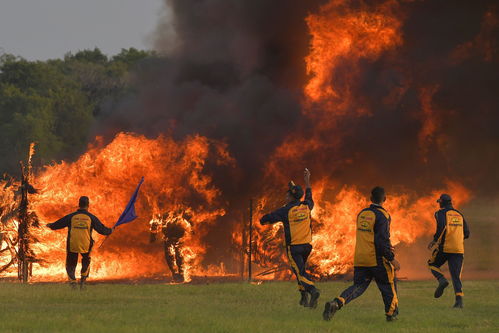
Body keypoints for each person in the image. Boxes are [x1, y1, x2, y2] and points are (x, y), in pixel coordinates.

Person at [323, 186, 400, 322]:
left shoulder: (362, 214)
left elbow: (369, 235)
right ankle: (391, 315)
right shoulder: (383, 215)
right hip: (376, 259)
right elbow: (381, 240)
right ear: (385, 199)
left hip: (360, 258)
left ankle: (337, 303)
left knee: (358, 286)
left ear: (371, 198)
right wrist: (391, 258)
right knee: (388, 285)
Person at [260, 168, 320, 308]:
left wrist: (261, 219)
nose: (285, 197)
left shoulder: (285, 210)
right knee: (300, 271)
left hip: (294, 248)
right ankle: (303, 297)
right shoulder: (307, 206)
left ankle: (312, 290)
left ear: (291, 197)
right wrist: (307, 181)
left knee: (300, 272)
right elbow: (309, 194)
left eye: (287, 195)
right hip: (306, 246)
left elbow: (267, 219)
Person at [47, 196, 112, 289]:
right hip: (86, 244)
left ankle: (73, 283)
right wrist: (110, 230)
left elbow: (59, 224)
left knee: (70, 263)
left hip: (73, 244)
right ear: (88, 205)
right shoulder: (91, 217)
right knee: (86, 261)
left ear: (79, 204)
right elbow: (101, 229)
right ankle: (82, 281)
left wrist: (51, 225)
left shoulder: (71, 216)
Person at [427, 194, 470, 308]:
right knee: (456, 275)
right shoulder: (459, 214)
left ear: (441, 202)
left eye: (439, 202)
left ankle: (442, 280)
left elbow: (441, 227)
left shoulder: (439, 213)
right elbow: (467, 233)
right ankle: (459, 301)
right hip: (458, 249)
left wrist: (435, 240)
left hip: (445, 247)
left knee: (432, 264)